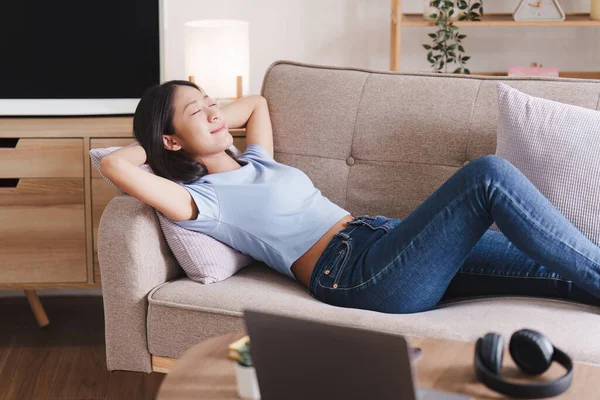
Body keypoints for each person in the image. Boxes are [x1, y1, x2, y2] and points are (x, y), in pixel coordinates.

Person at [101, 80, 600, 314]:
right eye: (197, 111)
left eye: (211, 102)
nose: (214, 112)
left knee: (550, 267)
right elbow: (114, 165)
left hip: (384, 240)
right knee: (487, 176)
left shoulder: (257, 162)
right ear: (169, 140)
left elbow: (256, 104)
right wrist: (163, 139)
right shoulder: (200, 201)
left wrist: (208, 113)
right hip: (356, 274)